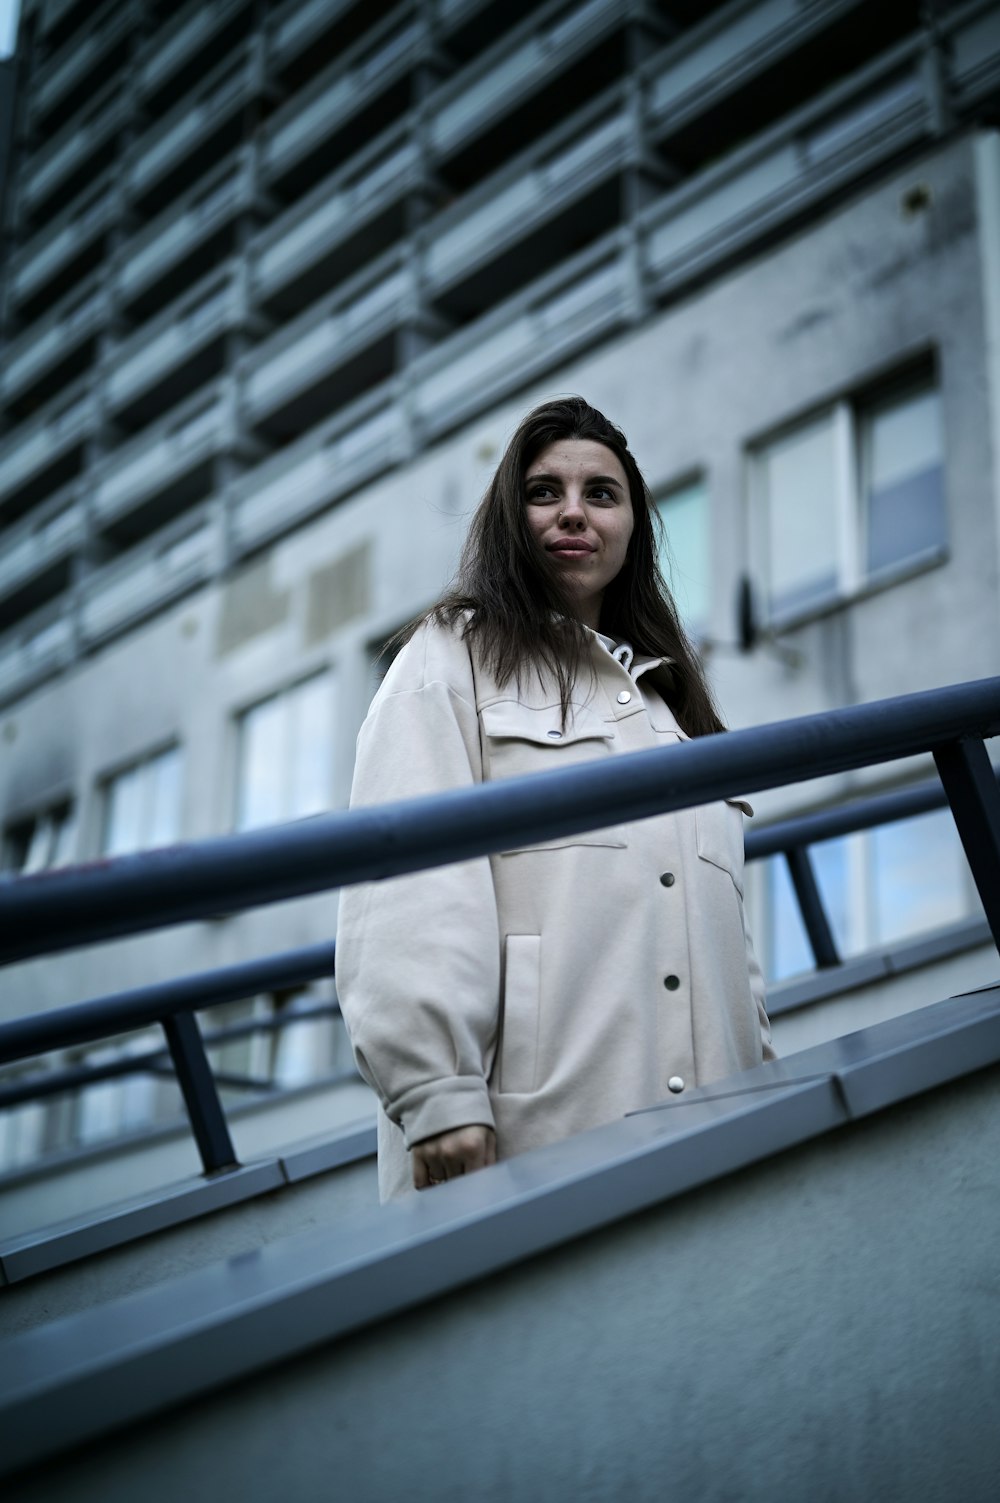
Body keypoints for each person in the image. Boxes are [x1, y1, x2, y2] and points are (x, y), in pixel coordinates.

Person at [336, 396, 774, 1201]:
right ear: (511, 513)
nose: (573, 511)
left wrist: (766, 1081)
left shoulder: (673, 710)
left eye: (601, 494)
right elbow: (404, 881)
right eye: (544, 491)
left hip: (718, 1134)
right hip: (531, 1137)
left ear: (634, 526)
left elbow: (730, 941)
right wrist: (436, 1091)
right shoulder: (449, 656)